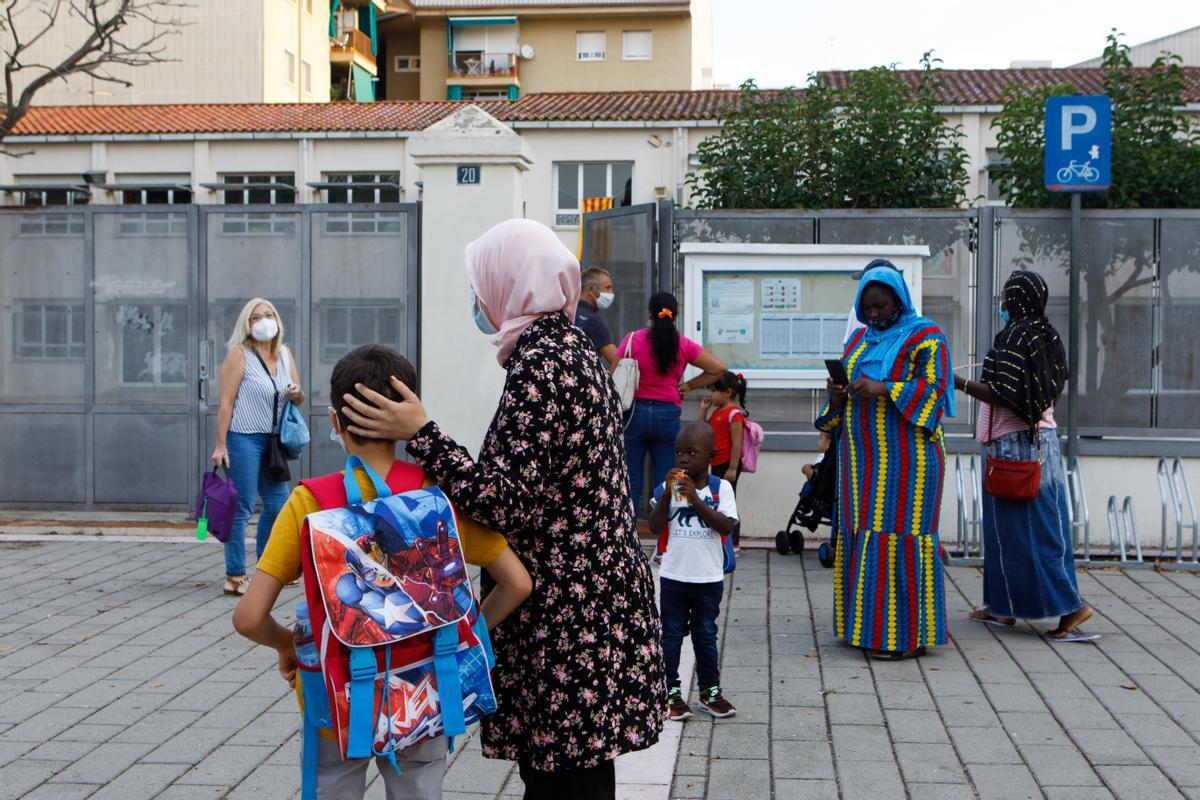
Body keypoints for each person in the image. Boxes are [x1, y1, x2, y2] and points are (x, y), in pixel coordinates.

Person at [335, 219, 665, 800]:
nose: (478, 299)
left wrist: (423, 434)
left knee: (561, 776)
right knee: (582, 767)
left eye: (481, 284)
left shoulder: (543, 363)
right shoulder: (571, 349)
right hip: (590, 595)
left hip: (568, 609)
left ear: (511, 282)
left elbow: (504, 501)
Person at [232, 344, 532, 800]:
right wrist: (468, 632)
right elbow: (518, 582)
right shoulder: (439, 497)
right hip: (424, 692)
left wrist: (290, 646)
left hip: (335, 700)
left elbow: (248, 617)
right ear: (404, 414)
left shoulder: (308, 502)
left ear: (335, 422)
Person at [817, 262, 955, 660]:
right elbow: (837, 409)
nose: (875, 314)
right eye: (869, 307)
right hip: (860, 462)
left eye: (881, 306)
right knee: (862, 535)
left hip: (908, 461)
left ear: (899, 298)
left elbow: (935, 390)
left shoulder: (926, 335)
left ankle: (901, 637)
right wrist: (839, 393)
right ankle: (864, 627)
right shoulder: (859, 338)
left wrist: (884, 387)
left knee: (899, 537)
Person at [954, 270, 1096, 642]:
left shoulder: (1015, 337)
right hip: (1039, 442)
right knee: (1007, 532)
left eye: (1005, 297)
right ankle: (1002, 607)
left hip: (1018, 445)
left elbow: (1004, 392)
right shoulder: (1047, 336)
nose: (1002, 303)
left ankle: (1071, 606)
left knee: (1034, 532)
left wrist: (960, 384)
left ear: (1015, 300)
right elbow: (1054, 386)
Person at [211, 298, 303, 597]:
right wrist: (221, 444)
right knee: (243, 506)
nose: (264, 321)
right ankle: (235, 575)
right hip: (244, 438)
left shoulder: (286, 354)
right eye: (256, 317)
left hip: (274, 440)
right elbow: (225, 403)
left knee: (278, 504)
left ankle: (267, 568)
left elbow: (298, 397)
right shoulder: (239, 355)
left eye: (268, 315)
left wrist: (295, 393)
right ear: (247, 325)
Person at [648, 421, 738, 722]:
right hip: (674, 577)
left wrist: (695, 499)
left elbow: (726, 526)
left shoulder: (720, 488)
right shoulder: (666, 488)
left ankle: (709, 692)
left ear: (710, 456)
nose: (683, 459)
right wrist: (665, 496)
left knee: (705, 634)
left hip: (707, 578)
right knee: (671, 636)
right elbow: (655, 526)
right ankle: (669, 692)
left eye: (691, 452)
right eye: (678, 453)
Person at [618, 292, 727, 514]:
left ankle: (627, 532)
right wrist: (689, 386)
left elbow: (614, 373)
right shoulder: (683, 345)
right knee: (670, 474)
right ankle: (670, 528)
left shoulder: (632, 339)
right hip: (667, 414)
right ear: (675, 316)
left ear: (650, 314)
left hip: (634, 415)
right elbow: (718, 368)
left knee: (631, 478)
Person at [698, 371, 748, 549]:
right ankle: (721, 540)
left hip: (728, 464)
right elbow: (702, 431)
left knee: (728, 502)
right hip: (717, 464)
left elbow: (737, 442)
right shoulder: (717, 412)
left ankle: (733, 543)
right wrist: (703, 410)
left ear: (727, 392)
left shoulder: (734, 414)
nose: (711, 395)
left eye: (713, 390)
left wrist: (733, 468)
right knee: (717, 501)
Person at [576, 266, 618, 368]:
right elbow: (617, 360)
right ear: (591, 289)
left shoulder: (568, 312)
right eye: (607, 288)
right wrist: (607, 382)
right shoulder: (592, 321)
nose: (611, 293)